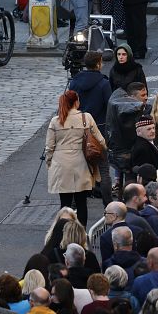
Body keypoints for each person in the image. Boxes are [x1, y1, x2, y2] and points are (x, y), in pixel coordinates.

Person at [46, 90, 107, 227]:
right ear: (76, 102)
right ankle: (81, 233)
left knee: (65, 203)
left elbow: (49, 147)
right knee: (81, 202)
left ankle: (63, 232)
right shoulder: (87, 118)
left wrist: (49, 163)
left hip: (61, 164)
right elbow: (101, 141)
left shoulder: (56, 121)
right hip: (82, 163)